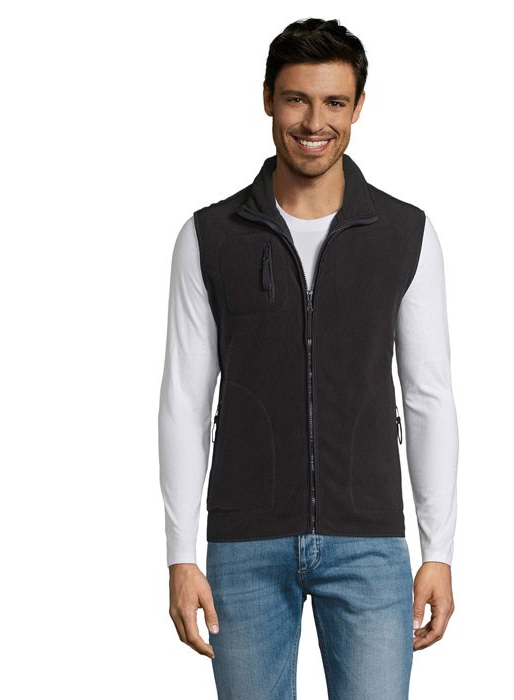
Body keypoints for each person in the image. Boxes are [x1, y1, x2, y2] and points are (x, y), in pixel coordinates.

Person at [158, 17, 459, 700]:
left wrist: (437, 550)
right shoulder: (209, 237)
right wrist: (180, 554)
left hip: (370, 544)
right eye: (296, 99)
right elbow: (184, 402)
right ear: (267, 98)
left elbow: (428, 396)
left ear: (357, 107)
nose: (314, 122)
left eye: (334, 102)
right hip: (243, 547)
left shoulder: (405, 233)